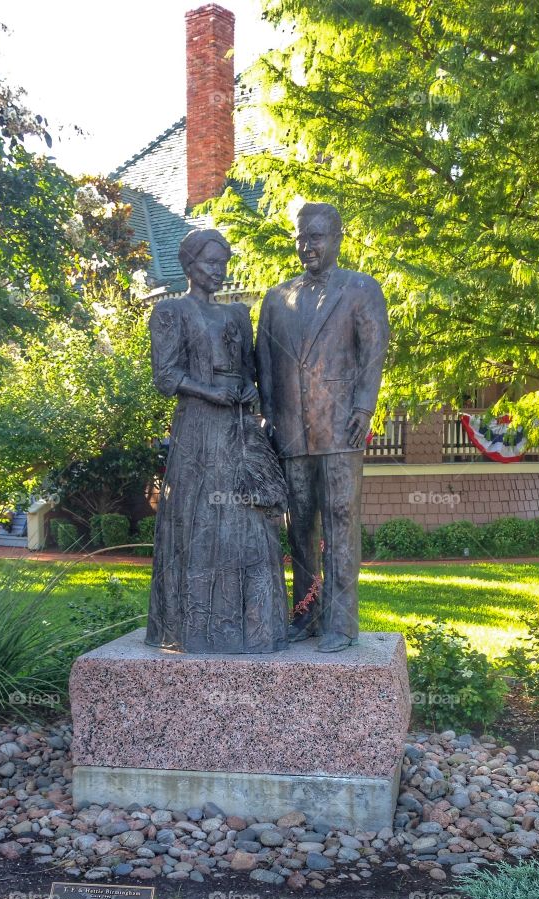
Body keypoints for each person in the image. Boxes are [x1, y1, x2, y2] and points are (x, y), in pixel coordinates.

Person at [144, 229, 288, 654]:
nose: (218, 271)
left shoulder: (238, 316)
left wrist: (249, 391)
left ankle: (253, 628)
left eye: (223, 263)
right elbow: (166, 376)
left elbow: (252, 371)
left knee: (248, 516)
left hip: (238, 429)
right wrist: (209, 392)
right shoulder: (171, 312)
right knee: (202, 514)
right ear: (190, 265)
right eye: (210, 263)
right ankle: (195, 629)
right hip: (198, 429)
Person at [255, 202, 390, 651]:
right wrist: (270, 419)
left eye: (315, 237)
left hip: (340, 427)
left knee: (341, 520)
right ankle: (306, 613)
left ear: (336, 238)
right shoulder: (276, 299)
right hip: (292, 430)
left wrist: (365, 409)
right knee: (299, 527)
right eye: (300, 237)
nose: (306, 246)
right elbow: (266, 369)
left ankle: (341, 621)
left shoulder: (361, 289)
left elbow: (373, 353)